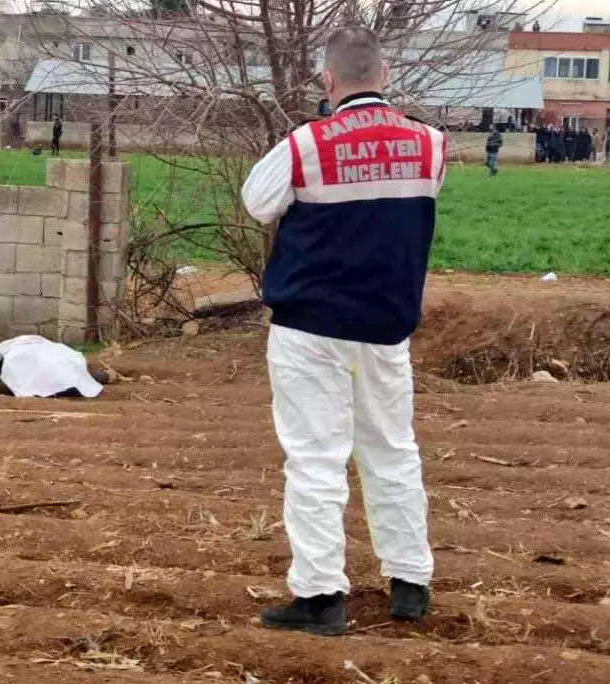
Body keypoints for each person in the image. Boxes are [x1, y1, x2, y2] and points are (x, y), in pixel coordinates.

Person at [240, 26, 440, 637]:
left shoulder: (306, 144)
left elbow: (257, 202)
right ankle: (410, 584)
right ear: (385, 74)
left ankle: (321, 596)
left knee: (315, 459)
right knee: (392, 450)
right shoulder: (431, 144)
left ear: (328, 81)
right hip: (385, 326)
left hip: (311, 325)